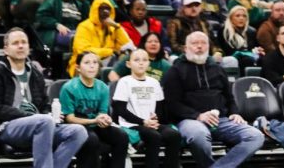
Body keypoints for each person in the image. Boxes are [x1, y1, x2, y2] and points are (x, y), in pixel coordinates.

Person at [0, 29, 89, 168]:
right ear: (6, 50)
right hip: (6, 127)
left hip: (39, 125)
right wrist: (29, 116)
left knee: (78, 132)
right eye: (15, 43)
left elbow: (43, 103)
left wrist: (51, 113)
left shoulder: (35, 74)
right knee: (43, 121)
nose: (20, 46)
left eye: (24, 42)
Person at [161, 31, 265, 168]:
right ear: (186, 48)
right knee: (198, 135)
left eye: (203, 43)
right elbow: (172, 104)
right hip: (190, 120)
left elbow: (229, 97)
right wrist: (198, 116)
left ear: (209, 47)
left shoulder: (218, 69)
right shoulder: (174, 70)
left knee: (255, 136)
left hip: (221, 120)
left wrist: (235, 112)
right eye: (194, 43)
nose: (199, 46)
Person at [112, 48, 183, 168]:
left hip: (150, 123)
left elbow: (160, 108)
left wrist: (155, 118)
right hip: (131, 124)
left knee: (174, 135)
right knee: (153, 136)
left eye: (144, 60)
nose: (141, 63)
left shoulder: (154, 82)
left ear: (148, 63)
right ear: (129, 64)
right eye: (136, 60)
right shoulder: (124, 82)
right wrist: (143, 122)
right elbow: (120, 110)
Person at [61, 51, 128, 168]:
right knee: (92, 139)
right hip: (76, 127)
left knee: (121, 136)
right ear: (78, 68)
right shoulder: (69, 88)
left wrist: (105, 118)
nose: (92, 66)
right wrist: (94, 121)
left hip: (96, 124)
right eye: (87, 62)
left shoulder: (102, 87)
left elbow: (102, 112)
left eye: (95, 62)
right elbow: (69, 119)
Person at [69, 0, 133, 77]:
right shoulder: (84, 26)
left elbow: (128, 47)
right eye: (102, 8)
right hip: (85, 64)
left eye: (108, 9)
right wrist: (109, 52)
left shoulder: (113, 28)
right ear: (95, 10)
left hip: (108, 62)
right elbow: (83, 51)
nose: (105, 12)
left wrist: (117, 27)